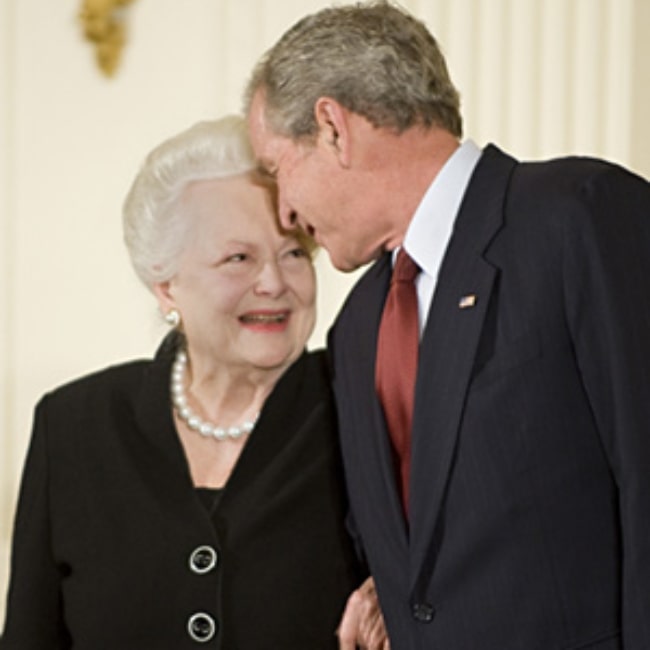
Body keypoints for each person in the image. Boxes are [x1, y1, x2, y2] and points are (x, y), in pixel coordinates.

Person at [245, 2, 650, 648]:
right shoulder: (355, 329)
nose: (286, 212)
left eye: (275, 170)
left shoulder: (577, 217)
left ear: (332, 129)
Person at [0, 116, 388, 649]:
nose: (275, 283)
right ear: (165, 285)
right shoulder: (72, 426)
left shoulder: (363, 407)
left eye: (294, 252)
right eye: (239, 258)